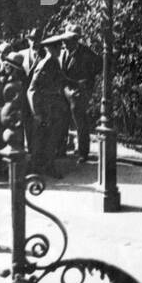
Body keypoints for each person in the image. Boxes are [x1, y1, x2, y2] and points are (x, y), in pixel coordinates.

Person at [26, 34, 69, 178]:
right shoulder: (45, 64)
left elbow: (62, 80)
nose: (60, 49)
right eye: (58, 47)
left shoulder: (54, 63)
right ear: (51, 48)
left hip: (53, 107)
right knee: (40, 140)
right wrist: (36, 112)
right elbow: (32, 89)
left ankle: (48, 166)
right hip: (44, 108)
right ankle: (36, 169)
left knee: (52, 139)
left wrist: (75, 84)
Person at [60, 28, 100, 163]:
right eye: (64, 40)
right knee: (62, 118)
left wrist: (88, 83)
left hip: (79, 91)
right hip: (65, 89)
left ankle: (83, 152)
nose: (64, 43)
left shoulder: (86, 53)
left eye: (67, 40)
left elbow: (99, 65)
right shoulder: (63, 52)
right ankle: (62, 149)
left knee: (80, 121)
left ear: (75, 40)